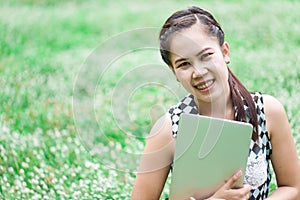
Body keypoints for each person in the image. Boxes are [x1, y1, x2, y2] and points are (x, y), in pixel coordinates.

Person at [131, 6, 300, 200]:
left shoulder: (266, 111)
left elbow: (293, 187)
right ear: (174, 72)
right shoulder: (168, 129)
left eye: (206, 56)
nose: (199, 72)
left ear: (225, 52)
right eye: (184, 64)